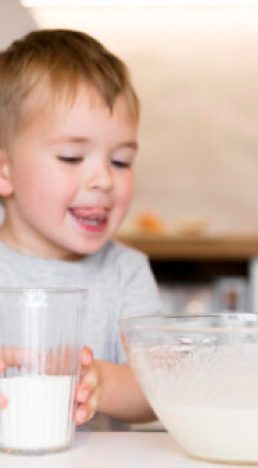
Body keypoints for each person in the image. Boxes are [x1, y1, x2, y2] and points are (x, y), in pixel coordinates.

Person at [0, 29, 163, 428]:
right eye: (72, 157)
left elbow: (159, 389)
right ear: (5, 171)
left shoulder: (126, 273)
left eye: (121, 161)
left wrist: (101, 383)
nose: (104, 180)